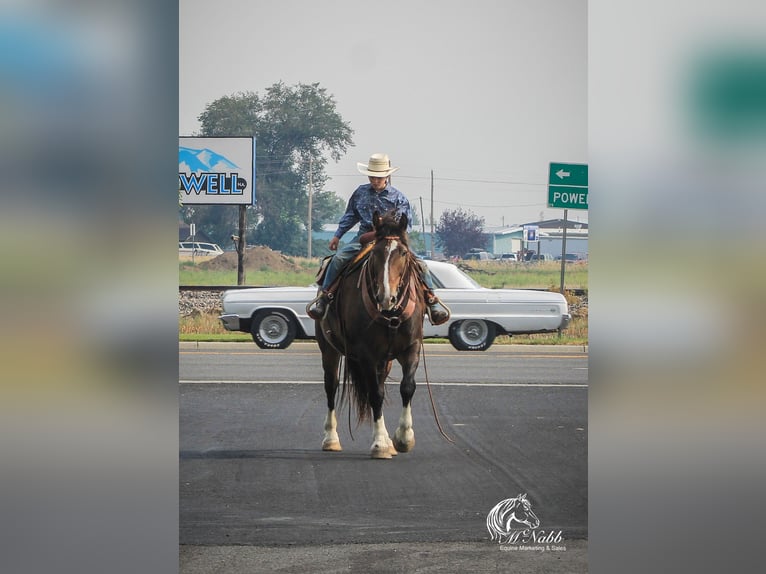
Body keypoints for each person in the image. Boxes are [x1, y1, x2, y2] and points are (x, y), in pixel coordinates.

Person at [307, 153, 450, 325]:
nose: (375, 180)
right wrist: (337, 236)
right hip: (364, 236)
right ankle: (324, 298)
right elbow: (350, 216)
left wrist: (394, 235)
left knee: (421, 265)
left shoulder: (399, 198)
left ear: (387, 176)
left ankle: (432, 301)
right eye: (372, 176)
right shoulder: (360, 193)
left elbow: (407, 225)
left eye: (379, 177)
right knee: (337, 260)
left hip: (392, 238)